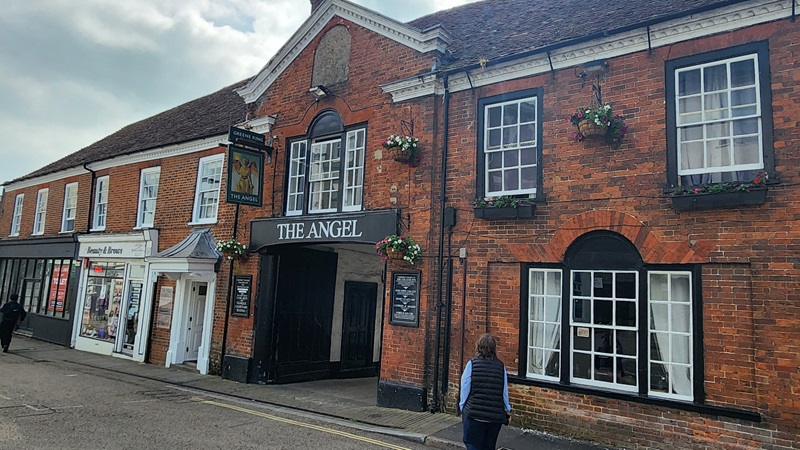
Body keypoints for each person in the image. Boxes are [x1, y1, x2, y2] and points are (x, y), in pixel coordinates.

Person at [459, 333, 512, 450]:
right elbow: (504, 391)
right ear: (494, 348)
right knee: (489, 446)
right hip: (494, 417)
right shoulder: (500, 366)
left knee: (472, 444)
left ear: (478, 347)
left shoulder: (472, 364)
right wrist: (507, 409)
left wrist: (462, 406)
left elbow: (465, 387)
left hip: (473, 414)